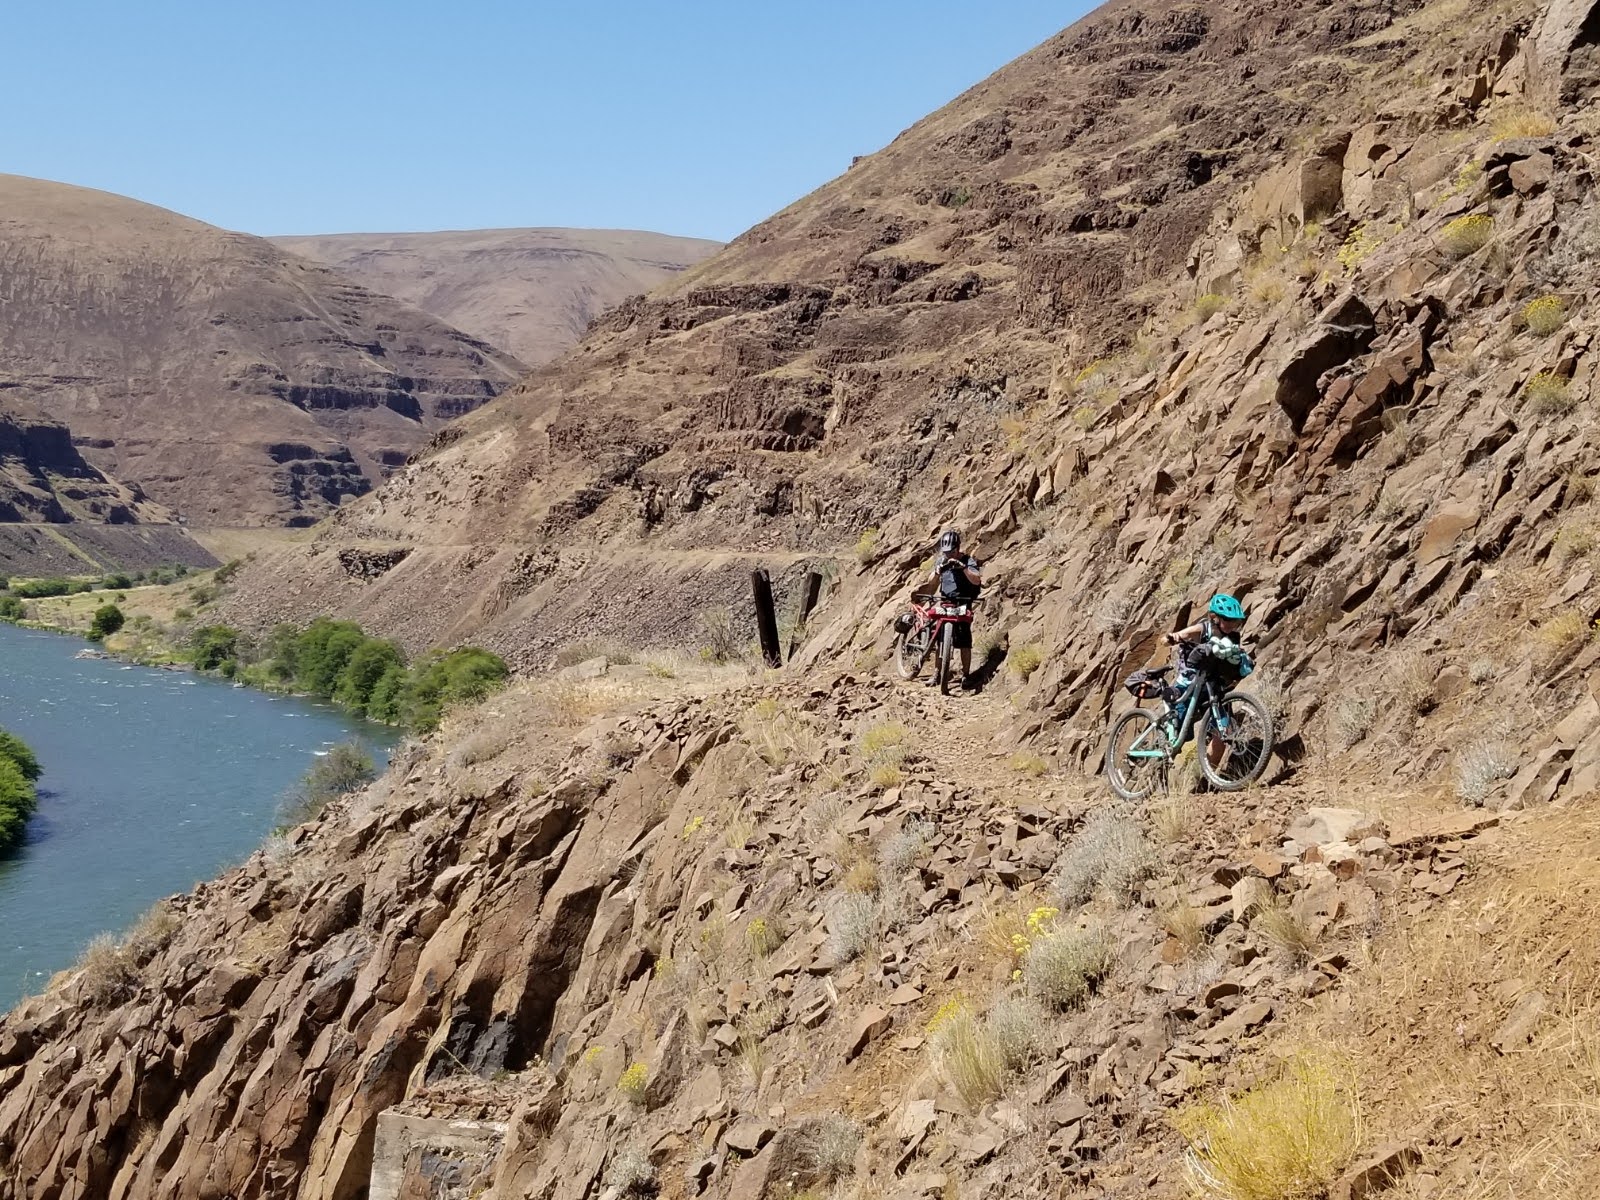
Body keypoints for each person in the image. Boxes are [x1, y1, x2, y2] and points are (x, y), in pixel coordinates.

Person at [1164, 593, 1248, 768]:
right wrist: (1173, 637)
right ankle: (1161, 752)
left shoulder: (1233, 637)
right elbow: (1175, 637)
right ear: (1214, 617)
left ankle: (1209, 773)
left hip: (1212, 685)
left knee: (1223, 729)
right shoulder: (1202, 629)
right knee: (1178, 731)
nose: (1231, 624)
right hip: (1189, 684)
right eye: (1227, 620)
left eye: (1235, 621)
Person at [925, 530, 983, 687]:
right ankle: (937, 673)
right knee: (940, 640)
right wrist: (937, 571)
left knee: (964, 641)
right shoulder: (941, 560)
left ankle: (966, 675)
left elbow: (976, 580)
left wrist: (963, 568)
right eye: (946, 552)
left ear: (958, 548)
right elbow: (931, 582)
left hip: (962, 603)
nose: (948, 555)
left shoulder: (967, 560)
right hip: (945, 603)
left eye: (951, 551)